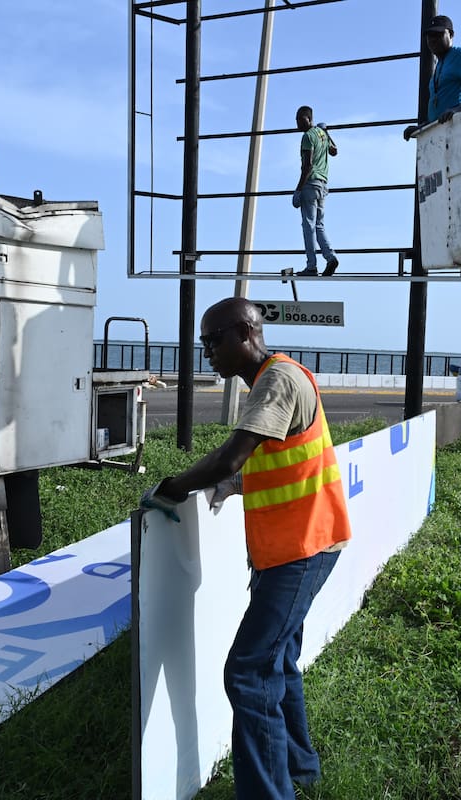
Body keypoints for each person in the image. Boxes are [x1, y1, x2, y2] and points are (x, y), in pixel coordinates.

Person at [140, 297, 352, 799]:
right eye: (203, 343)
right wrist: (230, 488)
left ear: (244, 333)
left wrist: (172, 486)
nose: (206, 352)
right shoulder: (274, 381)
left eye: (213, 341)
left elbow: (232, 456)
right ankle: (299, 769)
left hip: (302, 549)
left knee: (248, 671)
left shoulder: (277, 381)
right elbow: (271, 461)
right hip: (296, 547)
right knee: (276, 662)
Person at [292, 106, 340, 277]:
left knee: (308, 226)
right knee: (319, 225)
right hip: (323, 185)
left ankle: (311, 266)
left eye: (300, 119)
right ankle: (330, 256)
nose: (297, 122)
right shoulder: (321, 134)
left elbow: (308, 165)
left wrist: (298, 190)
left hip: (310, 185)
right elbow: (334, 151)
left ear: (308, 119)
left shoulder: (307, 137)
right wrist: (326, 133)